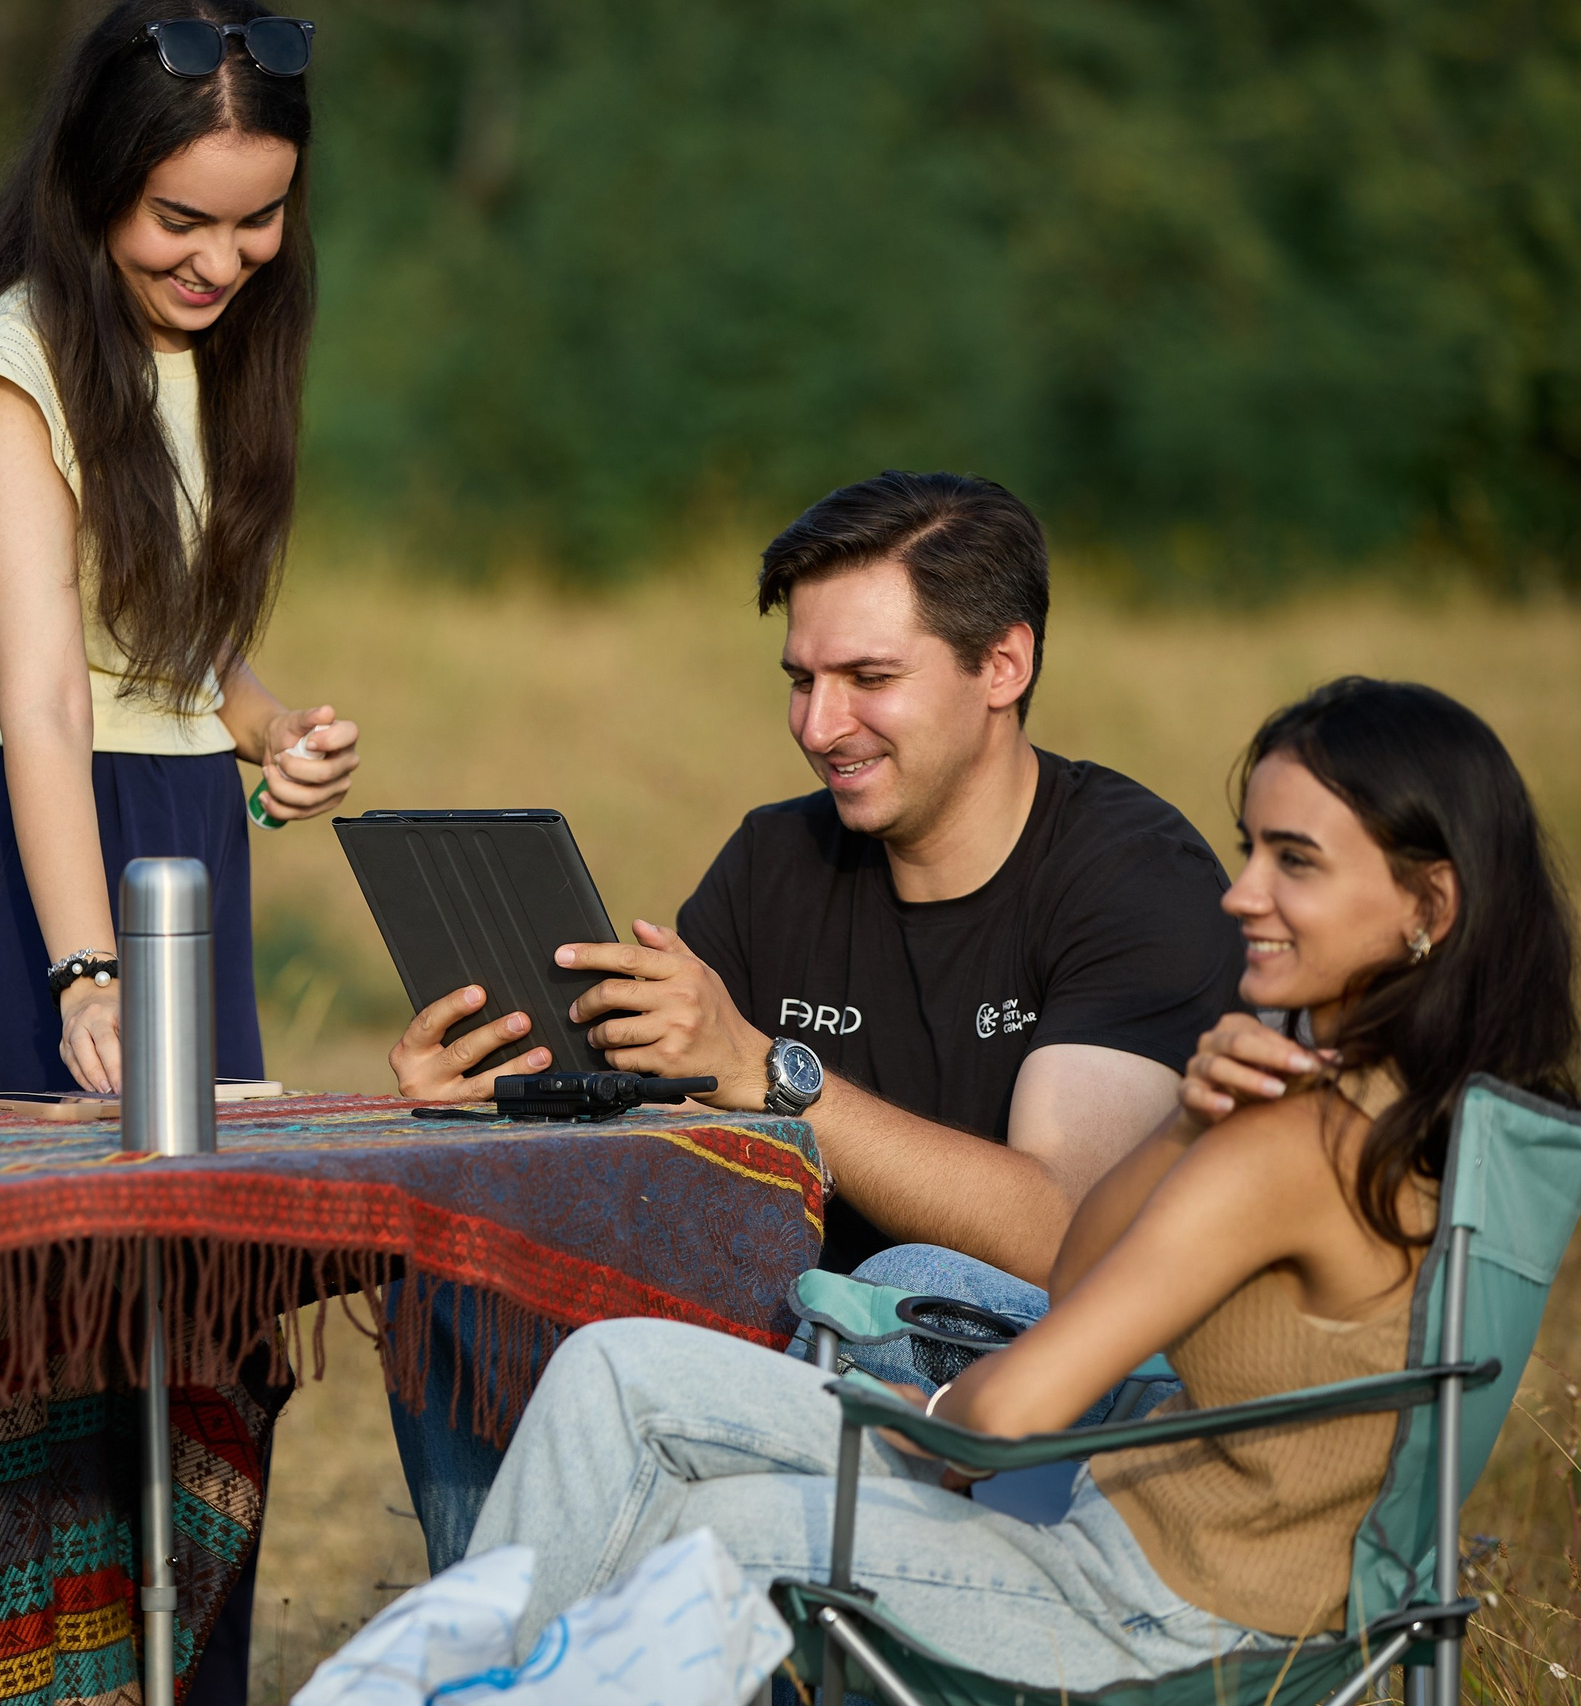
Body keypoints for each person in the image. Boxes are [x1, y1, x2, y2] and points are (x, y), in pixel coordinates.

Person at [470, 676, 1577, 1680]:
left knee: (698, 1527)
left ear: (1428, 904)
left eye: (1294, 860)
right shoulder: (1433, 1105)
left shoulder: (1296, 1144)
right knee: (619, 1369)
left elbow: (1010, 1412)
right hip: (1192, 1548)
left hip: (1141, 1605)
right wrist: (1188, 1116)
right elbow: (1078, 1275)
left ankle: (450, 1675)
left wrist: (930, 1416)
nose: (1240, 893)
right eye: (1247, 848)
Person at [385, 471, 1246, 1568]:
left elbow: (1063, 1234)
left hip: (1026, 1383)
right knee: (471, 1267)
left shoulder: (1132, 875)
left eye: (868, 677)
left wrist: (773, 1073)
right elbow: (661, 1139)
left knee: (902, 1284)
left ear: (1003, 665)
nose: (818, 724)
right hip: (790, 1335)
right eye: (800, 678)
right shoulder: (773, 861)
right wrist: (498, 1103)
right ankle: (516, 1651)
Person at [0, 0, 361, 1108]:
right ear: (95, 179)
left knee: (199, 1267)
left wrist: (267, 727)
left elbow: (154, 631)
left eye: (259, 220)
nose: (220, 261)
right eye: (180, 218)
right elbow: (48, 698)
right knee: (42, 1271)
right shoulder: (11, 374)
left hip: (185, 841)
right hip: (27, 855)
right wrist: (89, 971)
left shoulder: (211, 347)